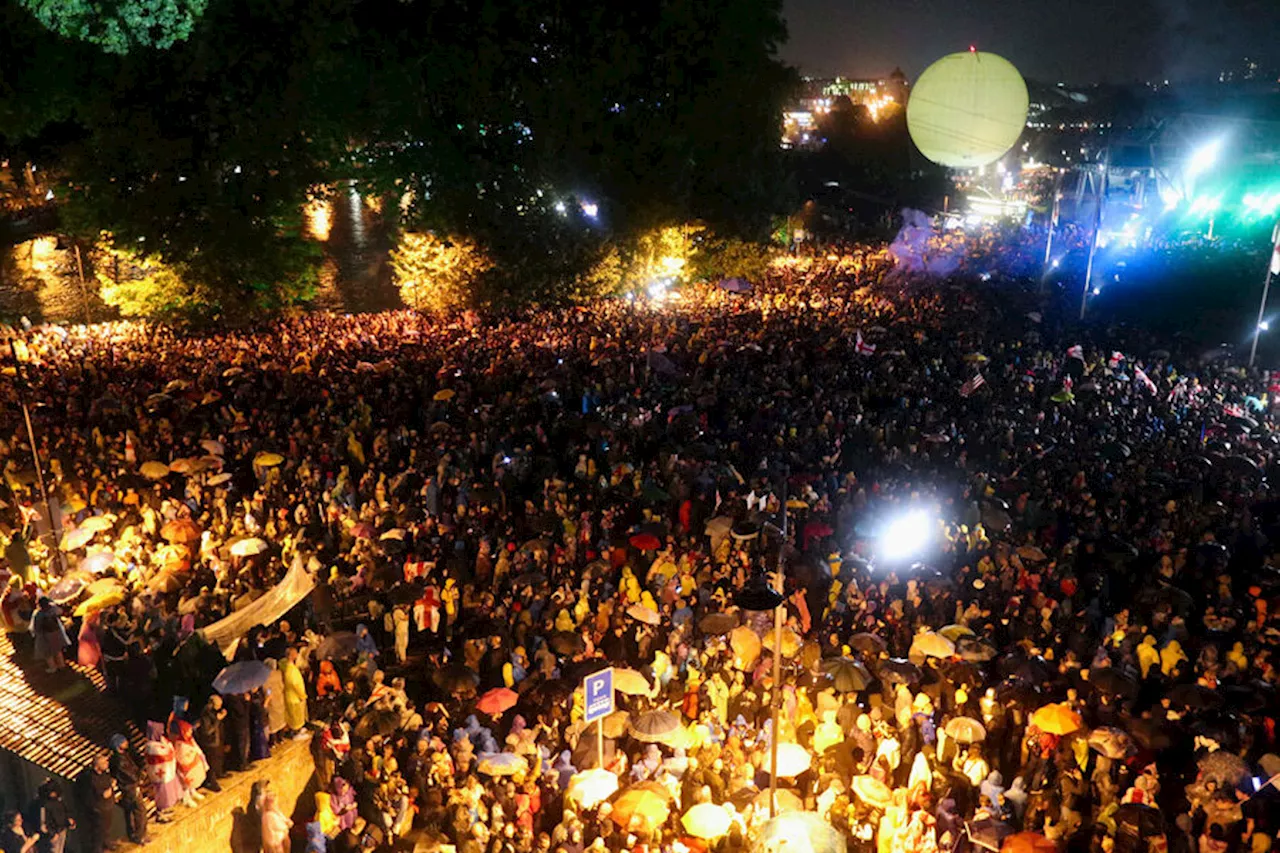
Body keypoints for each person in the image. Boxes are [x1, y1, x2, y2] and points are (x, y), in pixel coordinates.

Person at [108, 734, 148, 845]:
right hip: (130, 788)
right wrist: (140, 777)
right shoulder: (120, 761)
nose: (126, 742)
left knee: (131, 810)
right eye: (123, 741)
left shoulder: (122, 756)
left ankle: (135, 834)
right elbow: (129, 775)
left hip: (128, 788)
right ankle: (139, 835)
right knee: (139, 810)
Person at [81, 753, 117, 853]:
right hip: (99, 808)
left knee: (106, 829)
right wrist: (112, 786)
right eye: (104, 762)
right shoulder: (92, 778)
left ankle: (107, 844)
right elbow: (105, 794)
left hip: (107, 806)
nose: (107, 764)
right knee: (98, 833)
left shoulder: (105, 774)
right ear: (97, 765)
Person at [196, 694, 227, 790]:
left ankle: (219, 774)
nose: (219, 707)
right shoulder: (206, 714)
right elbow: (207, 730)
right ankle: (211, 782)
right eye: (218, 705)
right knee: (211, 762)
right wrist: (218, 719)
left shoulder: (214, 711)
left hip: (217, 740)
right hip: (210, 742)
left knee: (217, 759)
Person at [30, 781, 72, 853]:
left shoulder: (58, 801)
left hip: (61, 830)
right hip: (52, 834)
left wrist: (68, 822)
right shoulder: (43, 804)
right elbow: (43, 823)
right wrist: (51, 834)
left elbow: (64, 812)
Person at [30, 598, 69, 674]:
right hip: (56, 632)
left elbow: (36, 626)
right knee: (57, 650)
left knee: (47, 653)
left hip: (45, 635)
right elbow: (60, 611)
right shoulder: (53, 609)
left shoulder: (38, 614)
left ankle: (53, 667)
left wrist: (35, 634)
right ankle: (61, 664)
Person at [282, 646, 310, 736]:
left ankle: (297, 731)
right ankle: (296, 734)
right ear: (291, 656)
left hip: (290, 695)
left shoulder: (285, 665)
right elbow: (295, 684)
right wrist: (302, 695)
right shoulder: (291, 670)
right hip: (295, 697)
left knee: (295, 716)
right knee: (296, 718)